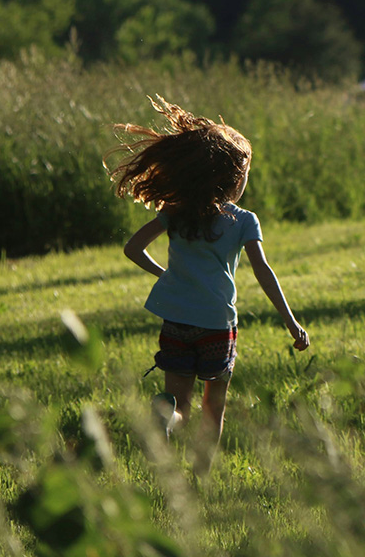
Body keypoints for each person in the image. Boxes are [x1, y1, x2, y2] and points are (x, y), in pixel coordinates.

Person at [106, 95, 309, 474]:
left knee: (179, 404)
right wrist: (290, 321)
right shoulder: (244, 221)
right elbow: (263, 271)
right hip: (217, 324)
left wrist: (166, 276)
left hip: (176, 320)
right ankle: (201, 474)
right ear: (235, 178)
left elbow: (133, 248)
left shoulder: (176, 212)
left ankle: (165, 416)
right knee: (213, 406)